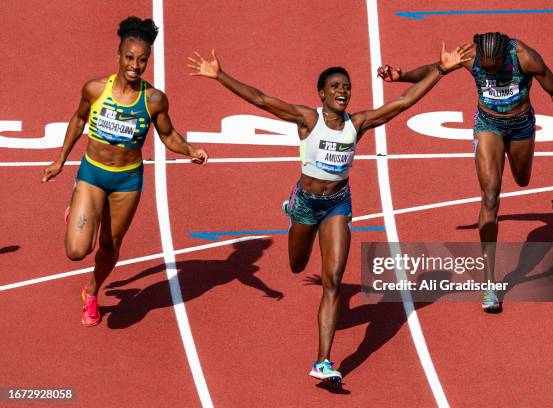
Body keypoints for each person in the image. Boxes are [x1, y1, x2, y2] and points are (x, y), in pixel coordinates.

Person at [187, 43, 471, 382]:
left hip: (338, 203)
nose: (343, 91)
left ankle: (323, 361)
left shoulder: (359, 123)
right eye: (335, 86)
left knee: (333, 281)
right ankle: (292, 207)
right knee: (297, 264)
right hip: (307, 203)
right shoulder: (308, 119)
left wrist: (441, 69)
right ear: (321, 94)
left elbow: (403, 102)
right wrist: (220, 76)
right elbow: (261, 100)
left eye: (347, 86)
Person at [378, 32, 553, 312]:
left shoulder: (524, 57)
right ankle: (489, 284)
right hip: (488, 125)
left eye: (493, 67)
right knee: (490, 197)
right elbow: (437, 69)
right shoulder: (471, 56)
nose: (488, 71)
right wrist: (402, 76)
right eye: (483, 67)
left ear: (502, 57)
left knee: (522, 180)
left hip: (521, 126)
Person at [42, 16, 208, 327]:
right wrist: (60, 160)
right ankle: (78, 204)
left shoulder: (154, 99)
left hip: (127, 181)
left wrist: (190, 150)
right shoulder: (94, 89)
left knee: (110, 246)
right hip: (93, 173)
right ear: (118, 56)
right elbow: (78, 121)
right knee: (77, 250)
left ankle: (91, 293)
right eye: (129, 57)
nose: (135, 65)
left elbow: (168, 135)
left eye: (142, 59)